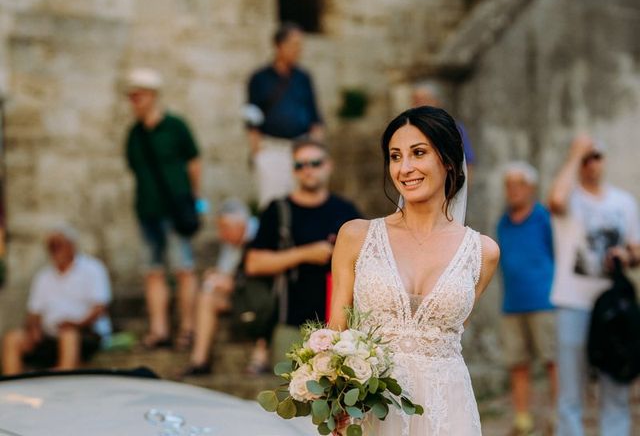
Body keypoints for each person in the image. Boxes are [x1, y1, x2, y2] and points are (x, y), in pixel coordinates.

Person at [329, 106, 499, 435]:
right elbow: (337, 331)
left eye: (418, 153)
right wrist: (334, 397)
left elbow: (454, 329)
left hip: (449, 412)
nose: (405, 168)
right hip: (372, 409)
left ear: (448, 160)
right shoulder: (356, 236)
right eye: (395, 156)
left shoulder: (483, 252)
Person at [548, 135, 640, 436]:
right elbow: (555, 200)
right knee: (570, 391)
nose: (591, 163)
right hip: (573, 302)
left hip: (613, 307)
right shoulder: (570, 197)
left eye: (596, 156)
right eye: (586, 158)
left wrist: (626, 255)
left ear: (605, 160)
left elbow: (636, 250)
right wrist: (576, 152)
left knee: (616, 385)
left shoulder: (623, 202)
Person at [245, 139, 360, 363]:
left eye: (315, 163)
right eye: (300, 165)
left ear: (328, 165)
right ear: (293, 171)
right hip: (290, 324)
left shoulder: (346, 210)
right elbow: (253, 263)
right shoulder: (277, 210)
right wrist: (305, 253)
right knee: (292, 393)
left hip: (339, 326)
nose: (308, 170)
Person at [124, 68, 202, 350]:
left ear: (152, 96)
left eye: (138, 96)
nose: (134, 102)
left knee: (183, 268)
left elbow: (194, 163)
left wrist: (196, 201)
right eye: (131, 97)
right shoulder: (134, 134)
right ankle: (159, 330)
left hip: (175, 210)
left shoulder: (176, 127)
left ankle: (188, 328)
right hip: (147, 211)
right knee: (153, 271)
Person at [1, 225, 112, 375]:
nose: (54, 250)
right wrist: (34, 329)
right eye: (51, 246)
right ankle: (12, 387)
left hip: (86, 333)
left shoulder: (93, 269)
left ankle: (63, 383)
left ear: (71, 245)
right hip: (50, 336)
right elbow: (34, 312)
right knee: (12, 339)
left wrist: (76, 324)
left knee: (68, 335)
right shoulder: (43, 276)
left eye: (58, 245)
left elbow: (99, 308)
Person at [497, 161, 557, 435]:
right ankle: (523, 418)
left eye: (518, 184)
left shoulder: (544, 218)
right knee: (517, 363)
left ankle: (556, 417)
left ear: (531, 188)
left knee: (552, 361)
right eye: (508, 185)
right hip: (512, 304)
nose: (513, 190)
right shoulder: (503, 223)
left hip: (544, 302)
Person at [244, 22, 324, 208]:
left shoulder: (303, 78)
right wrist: (258, 155)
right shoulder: (260, 79)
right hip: (272, 150)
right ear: (279, 46)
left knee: (305, 201)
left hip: (301, 148)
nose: (298, 50)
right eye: (294, 45)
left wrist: (317, 153)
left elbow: (315, 118)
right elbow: (252, 121)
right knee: (273, 204)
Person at [181, 199, 260, 376]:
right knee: (206, 296)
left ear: (240, 225)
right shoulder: (231, 242)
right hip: (238, 295)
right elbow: (225, 271)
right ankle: (199, 360)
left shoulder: (260, 235)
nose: (221, 234)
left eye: (224, 228)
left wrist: (230, 280)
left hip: (259, 297)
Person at [411, 81, 476, 181]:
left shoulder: (453, 128)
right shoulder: (407, 131)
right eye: (416, 101)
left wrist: (462, 191)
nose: (420, 105)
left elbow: (468, 163)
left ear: (436, 102)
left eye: (425, 100)